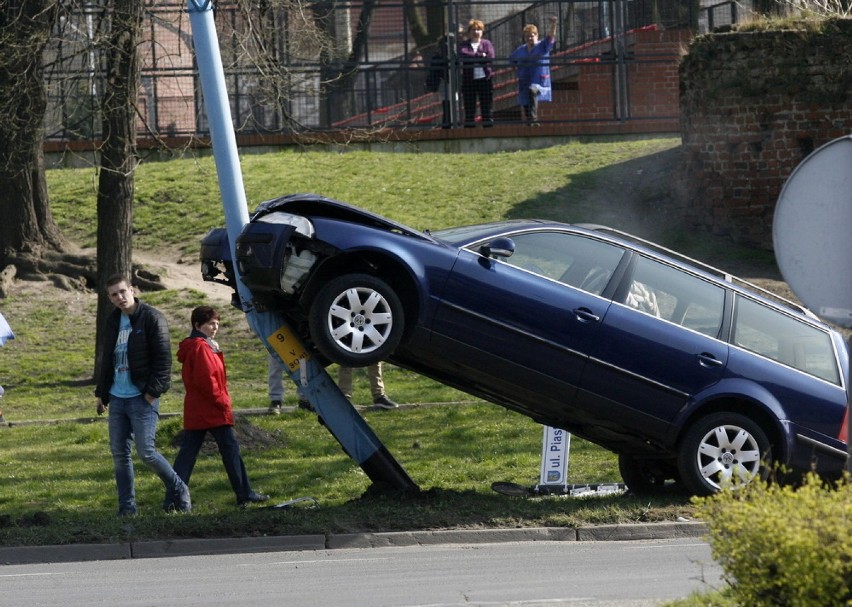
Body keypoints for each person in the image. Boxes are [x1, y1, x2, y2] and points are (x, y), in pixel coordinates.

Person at [95, 274, 191, 516]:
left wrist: (151, 393)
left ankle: (179, 489)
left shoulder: (151, 318)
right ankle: (127, 509)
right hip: (117, 397)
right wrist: (102, 394)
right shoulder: (113, 321)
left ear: (132, 290)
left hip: (141, 397)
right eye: (114, 294)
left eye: (122, 292)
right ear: (109, 298)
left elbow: (163, 360)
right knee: (120, 454)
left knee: (146, 452)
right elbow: (108, 359)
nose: (119, 298)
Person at [172, 306, 269, 507]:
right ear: (198, 325)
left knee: (188, 455)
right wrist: (223, 402)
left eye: (217, 323)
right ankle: (244, 494)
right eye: (210, 324)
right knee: (229, 451)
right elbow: (208, 381)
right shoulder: (201, 347)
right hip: (212, 409)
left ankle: (173, 499)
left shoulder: (202, 345)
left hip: (199, 409)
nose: (215, 327)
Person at [509, 16, 559, 126]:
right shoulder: (521, 49)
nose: (529, 39)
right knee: (525, 101)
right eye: (527, 37)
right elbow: (512, 60)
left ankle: (533, 120)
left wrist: (553, 24)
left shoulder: (542, 46)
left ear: (536, 35)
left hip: (539, 80)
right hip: (524, 79)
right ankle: (529, 122)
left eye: (532, 36)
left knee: (533, 91)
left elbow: (550, 37)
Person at [458, 19, 495, 128]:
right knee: (469, 108)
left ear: (482, 31)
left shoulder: (486, 43)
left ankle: (488, 130)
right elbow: (463, 54)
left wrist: (475, 57)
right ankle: (469, 131)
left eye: (478, 29)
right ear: (469, 32)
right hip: (469, 81)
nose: (476, 32)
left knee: (486, 107)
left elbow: (490, 56)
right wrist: (480, 56)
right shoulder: (464, 45)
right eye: (473, 29)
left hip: (485, 80)